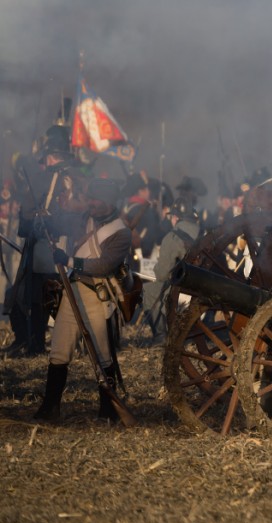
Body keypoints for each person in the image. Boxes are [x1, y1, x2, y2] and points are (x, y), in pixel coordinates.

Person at [34, 178, 132, 422]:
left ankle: (108, 411)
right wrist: (42, 222)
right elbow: (57, 224)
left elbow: (104, 265)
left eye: (97, 200)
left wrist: (69, 261)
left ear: (110, 202)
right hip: (72, 291)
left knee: (102, 354)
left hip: (96, 294)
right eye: (92, 199)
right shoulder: (83, 218)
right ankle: (50, 407)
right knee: (59, 350)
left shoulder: (121, 232)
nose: (92, 204)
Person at [5, 125, 86, 357]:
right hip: (73, 249)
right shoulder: (79, 177)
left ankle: (34, 344)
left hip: (47, 249)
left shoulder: (46, 178)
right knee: (27, 294)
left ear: (51, 156)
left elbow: (26, 219)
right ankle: (29, 341)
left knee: (32, 296)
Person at [143, 200, 201, 344]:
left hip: (185, 291)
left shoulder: (172, 237)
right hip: (205, 288)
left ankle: (161, 336)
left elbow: (162, 275)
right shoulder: (204, 232)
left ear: (175, 217)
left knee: (149, 290)